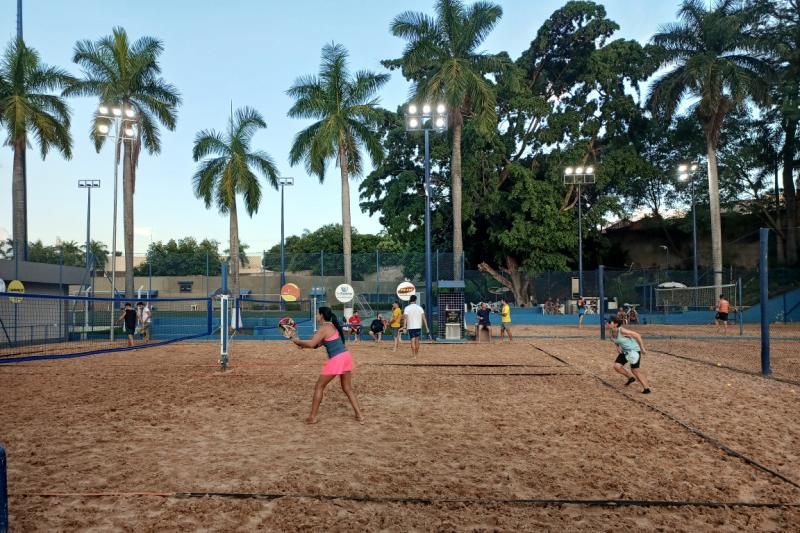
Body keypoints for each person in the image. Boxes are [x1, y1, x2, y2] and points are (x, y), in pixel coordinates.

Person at [292, 307, 364, 424]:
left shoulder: (323, 328)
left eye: (317, 314)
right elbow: (317, 345)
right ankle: (359, 415)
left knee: (319, 387)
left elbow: (311, 344)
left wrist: (297, 341)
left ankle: (312, 417)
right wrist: (302, 345)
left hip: (337, 359)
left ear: (321, 315)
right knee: (347, 388)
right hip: (346, 357)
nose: (316, 316)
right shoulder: (332, 326)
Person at [607, 316, 652, 394]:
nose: (607, 323)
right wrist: (617, 347)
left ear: (616, 324)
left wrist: (642, 348)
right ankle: (630, 378)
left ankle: (646, 388)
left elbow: (637, 335)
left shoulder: (622, 330)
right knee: (617, 366)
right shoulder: (611, 331)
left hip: (634, 351)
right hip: (625, 351)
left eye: (609, 322)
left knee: (635, 370)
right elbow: (614, 340)